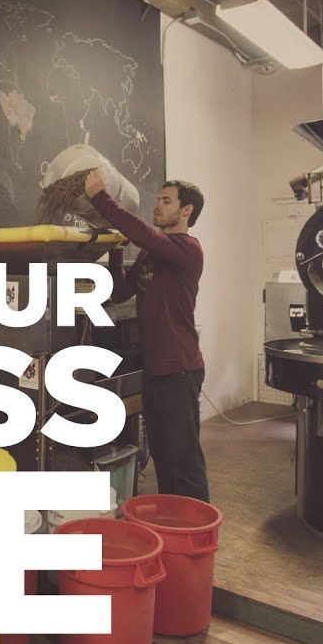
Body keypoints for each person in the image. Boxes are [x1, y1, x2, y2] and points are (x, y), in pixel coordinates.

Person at [84, 169, 208, 502]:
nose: (158, 206)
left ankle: (195, 529)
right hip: (155, 369)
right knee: (164, 459)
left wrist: (101, 199)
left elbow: (147, 236)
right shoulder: (153, 254)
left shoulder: (187, 249)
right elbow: (122, 291)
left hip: (179, 368)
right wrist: (113, 251)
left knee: (184, 460)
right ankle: (172, 521)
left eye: (166, 201)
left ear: (186, 211)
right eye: (158, 199)